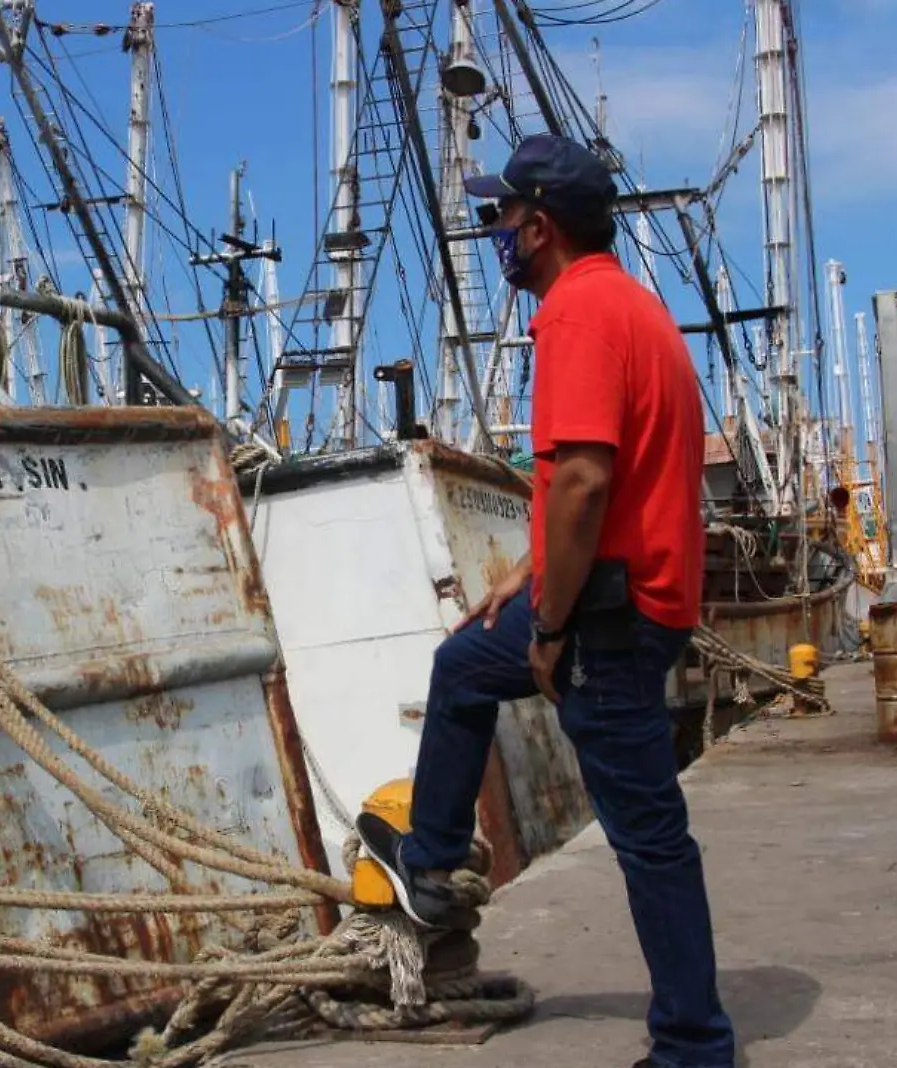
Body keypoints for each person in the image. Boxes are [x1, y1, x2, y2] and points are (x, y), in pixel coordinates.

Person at [356, 134, 737, 1068]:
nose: (495, 235)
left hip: (608, 620)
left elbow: (583, 482)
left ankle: (695, 1046)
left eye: (503, 219)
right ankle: (432, 861)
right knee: (463, 663)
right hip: (643, 599)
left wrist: (553, 628)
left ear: (542, 226)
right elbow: (622, 477)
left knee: (649, 840)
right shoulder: (636, 309)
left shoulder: (573, 315)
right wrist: (533, 574)